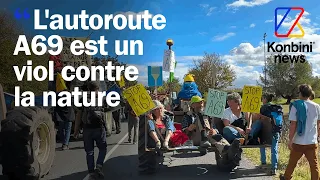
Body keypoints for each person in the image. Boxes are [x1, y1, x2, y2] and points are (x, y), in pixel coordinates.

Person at [280, 84, 320, 180]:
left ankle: (286, 178)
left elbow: (293, 125)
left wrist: (290, 140)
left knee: (292, 162)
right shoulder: (317, 106)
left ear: (301, 93)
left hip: (298, 141)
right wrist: (318, 136)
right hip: (312, 141)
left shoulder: (296, 105)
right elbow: (318, 124)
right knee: (314, 165)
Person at [74, 81, 107, 180]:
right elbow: (108, 110)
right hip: (99, 128)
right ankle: (99, 166)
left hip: (87, 129)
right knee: (103, 148)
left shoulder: (83, 99)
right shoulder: (102, 98)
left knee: (89, 152)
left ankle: (91, 172)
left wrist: (76, 130)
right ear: (97, 88)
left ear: (88, 89)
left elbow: (79, 115)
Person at [250, 93, 280, 175]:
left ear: (265, 99)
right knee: (274, 149)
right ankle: (274, 168)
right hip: (275, 130)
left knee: (262, 145)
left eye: (262, 98)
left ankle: (263, 163)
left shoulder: (263, 108)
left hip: (265, 131)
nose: (261, 100)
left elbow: (258, 118)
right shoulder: (277, 107)